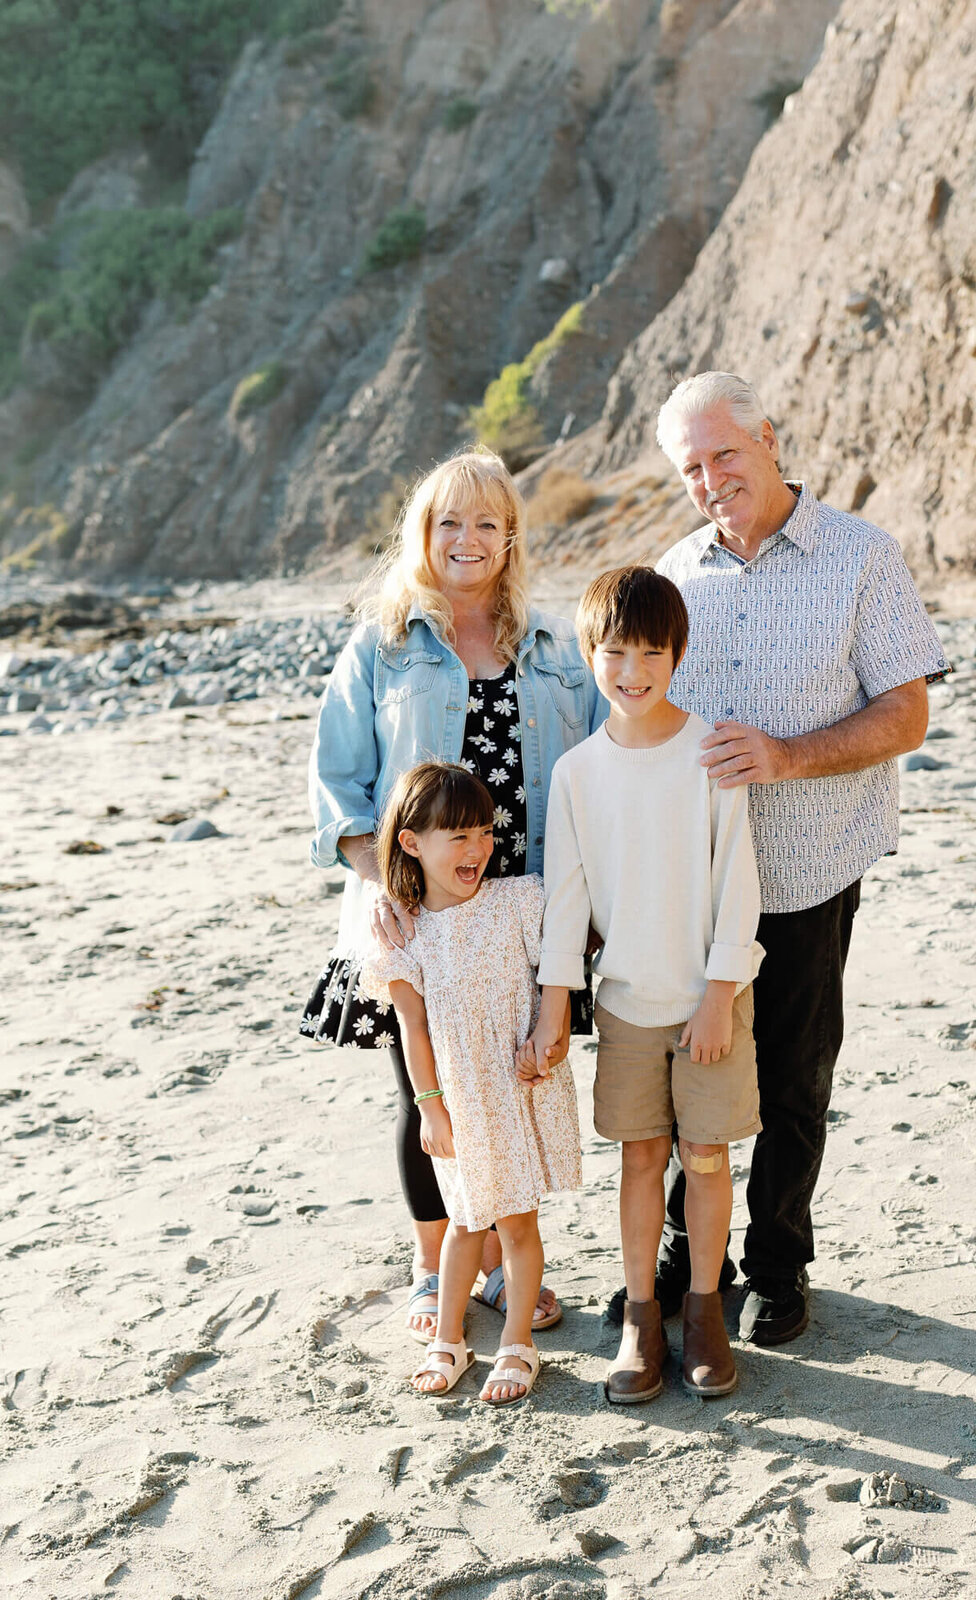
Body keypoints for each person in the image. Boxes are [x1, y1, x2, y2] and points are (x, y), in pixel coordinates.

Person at [646, 370, 950, 1347]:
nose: (710, 478)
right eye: (691, 466)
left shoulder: (863, 557)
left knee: (794, 1080)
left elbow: (907, 712)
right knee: (680, 1076)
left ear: (769, 438)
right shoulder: (672, 573)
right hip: (693, 882)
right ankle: (684, 1261)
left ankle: (778, 1266)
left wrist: (785, 757)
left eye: (724, 453)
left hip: (813, 865)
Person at [302, 448, 600, 1343]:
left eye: (486, 522)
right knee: (428, 1098)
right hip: (415, 916)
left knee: (509, 1093)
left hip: (520, 916)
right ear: (421, 536)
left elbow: (590, 786)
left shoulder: (553, 649)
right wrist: (382, 879)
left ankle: (510, 1270)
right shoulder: (383, 647)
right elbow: (336, 787)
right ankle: (436, 1271)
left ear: (511, 537)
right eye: (447, 523)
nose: (466, 539)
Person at [525, 566, 763, 1402]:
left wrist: (718, 993)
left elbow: (739, 881)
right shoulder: (579, 774)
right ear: (589, 652)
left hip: (709, 1001)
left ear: (678, 654)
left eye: (650, 652)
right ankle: (639, 1316)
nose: (631, 670)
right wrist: (555, 1007)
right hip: (625, 1001)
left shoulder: (711, 753)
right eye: (614, 651)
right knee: (640, 1157)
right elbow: (566, 901)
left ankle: (703, 1312)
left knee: (705, 1157)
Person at [356, 762, 580, 1403]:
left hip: (519, 1086)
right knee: (463, 1220)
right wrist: (429, 1107)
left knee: (516, 1222)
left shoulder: (517, 901)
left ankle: (517, 1343)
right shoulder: (402, 936)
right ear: (410, 843)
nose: (478, 848)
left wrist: (551, 1030)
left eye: (484, 831)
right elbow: (412, 1031)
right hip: (460, 1098)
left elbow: (559, 965)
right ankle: (448, 1339)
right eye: (457, 836)